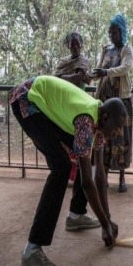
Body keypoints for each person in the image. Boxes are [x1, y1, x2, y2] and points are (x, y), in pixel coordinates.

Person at [9, 75, 124, 266]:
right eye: (116, 128)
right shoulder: (86, 122)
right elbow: (88, 183)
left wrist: (107, 218)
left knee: (84, 158)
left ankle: (76, 214)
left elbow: (99, 176)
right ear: (105, 119)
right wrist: (105, 225)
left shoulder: (98, 125)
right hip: (27, 99)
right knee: (61, 166)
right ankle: (32, 249)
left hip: (42, 102)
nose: (117, 133)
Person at [53, 32, 101, 231]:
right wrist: (68, 77)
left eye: (78, 44)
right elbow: (58, 77)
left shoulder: (83, 61)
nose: (75, 47)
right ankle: (76, 213)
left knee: (83, 159)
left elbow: (76, 78)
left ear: (81, 45)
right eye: (72, 44)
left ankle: (77, 211)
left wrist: (65, 77)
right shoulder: (64, 61)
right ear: (67, 46)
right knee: (74, 160)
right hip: (63, 110)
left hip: (77, 110)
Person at [92, 13, 133, 193]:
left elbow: (125, 68)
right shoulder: (106, 49)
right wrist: (92, 74)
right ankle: (104, 174)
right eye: (110, 32)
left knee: (121, 138)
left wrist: (105, 73)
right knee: (104, 138)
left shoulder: (126, 49)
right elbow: (99, 68)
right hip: (104, 100)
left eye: (114, 32)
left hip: (121, 102)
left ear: (121, 31)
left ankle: (122, 177)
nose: (111, 35)